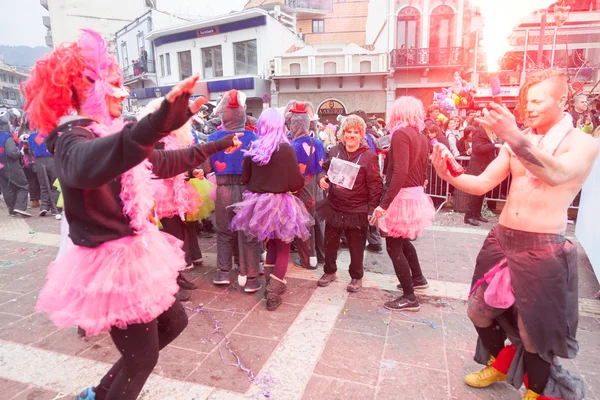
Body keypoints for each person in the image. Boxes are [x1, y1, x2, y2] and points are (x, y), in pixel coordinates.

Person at [24, 29, 241, 400]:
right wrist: (154, 124)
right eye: (111, 84)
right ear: (82, 90)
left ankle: (95, 394)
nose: (121, 93)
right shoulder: (72, 140)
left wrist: (218, 143)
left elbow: (164, 160)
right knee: (142, 360)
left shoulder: (108, 133)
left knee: (174, 323)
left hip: (138, 253)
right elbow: (85, 167)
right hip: (112, 267)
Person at [432, 69, 598, 400]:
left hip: (543, 247)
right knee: (478, 310)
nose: (529, 107)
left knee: (532, 330)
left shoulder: (584, 143)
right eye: (526, 101)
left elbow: (555, 173)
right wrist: (448, 173)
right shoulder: (519, 140)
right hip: (502, 239)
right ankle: (501, 361)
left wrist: (512, 135)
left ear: (561, 100)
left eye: (538, 100)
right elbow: (481, 183)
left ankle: (535, 393)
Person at [230, 108, 311, 309]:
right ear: (281, 125)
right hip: (282, 203)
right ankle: (273, 292)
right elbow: (295, 183)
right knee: (282, 245)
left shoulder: (253, 148)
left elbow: (246, 179)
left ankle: (270, 282)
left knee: (271, 244)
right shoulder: (286, 149)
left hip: (258, 203)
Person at [372, 96, 435, 311]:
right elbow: (425, 170)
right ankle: (417, 278)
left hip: (402, 195)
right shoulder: (422, 136)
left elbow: (400, 171)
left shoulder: (400, 134)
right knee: (403, 239)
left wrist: (385, 203)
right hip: (415, 194)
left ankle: (409, 297)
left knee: (393, 244)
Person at [317, 115, 383, 292]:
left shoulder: (369, 156)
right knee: (330, 242)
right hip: (335, 206)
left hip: (357, 208)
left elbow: (376, 185)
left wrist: (371, 209)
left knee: (356, 245)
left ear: (361, 134)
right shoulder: (335, 151)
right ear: (343, 133)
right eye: (348, 131)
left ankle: (356, 276)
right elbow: (325, 169)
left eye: (356, 132)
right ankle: (329, 271)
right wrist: (321, 179)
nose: (351, 135)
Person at [209, 90, 262, 290]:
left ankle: (223, 273)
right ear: (243, 114)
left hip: (222, 190)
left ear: (223, 114)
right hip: (247, 190)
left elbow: (205, 168)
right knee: (248, 233)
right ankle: (251, 278)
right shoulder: (253, 137)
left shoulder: (213, 137)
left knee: (223, 232)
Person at [286, 100, 326, 270]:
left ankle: (307, 259)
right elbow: (323, 167)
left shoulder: (291, 146)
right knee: (316, 223)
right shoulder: (318, 143)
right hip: (317, 190)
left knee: (302, 224)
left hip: (300, 191)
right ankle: (320, 256)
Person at [463, 125, 500, 226]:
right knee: (474, 193)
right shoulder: (479, 132)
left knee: (481, 193)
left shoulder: (490, 133)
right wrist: (494, 146)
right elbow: (478, 149)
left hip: (485, 166)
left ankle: (477, 214)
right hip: (478, 167)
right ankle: (469, 216)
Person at [0, 111, 30, 217]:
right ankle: (20, 207)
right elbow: (12, 153)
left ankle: (12, 210)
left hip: (1, 166)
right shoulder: (6, 137)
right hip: (10, 164)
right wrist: (19, 152)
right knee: (23, 185)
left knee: (7, 188)